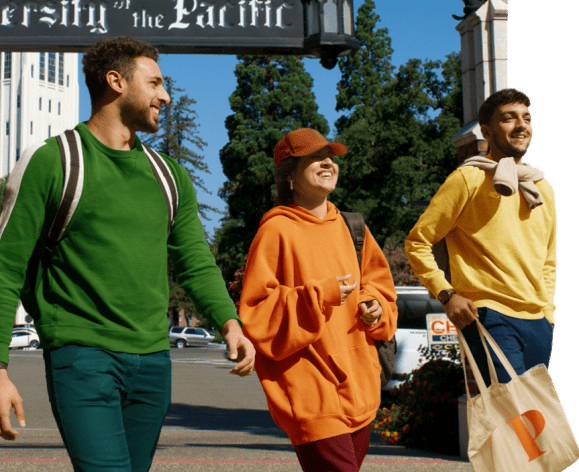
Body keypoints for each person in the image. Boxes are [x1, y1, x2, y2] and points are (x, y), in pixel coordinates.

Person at [0, 36, 255, 471]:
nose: (165, 95)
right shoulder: (52, 161)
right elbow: (5, 270)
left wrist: (229, 323)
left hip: (154, 362)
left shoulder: (169, 175)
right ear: (115, 81)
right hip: (82, 356)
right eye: (155, 82)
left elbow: (195, 260)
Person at [239, 128, 398, 471]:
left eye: (330, 157)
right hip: (309, 389)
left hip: (360, 384)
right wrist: (319, 295)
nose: (328, 162)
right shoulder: (275, 230)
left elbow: (381, 287)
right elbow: (256, 312)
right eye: (314, 157)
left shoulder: (353, 227)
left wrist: (375, 307)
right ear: (290, 176)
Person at [405, 87, 556, 386]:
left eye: (526, 118)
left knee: (534, 423)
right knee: (512, 413)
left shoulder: (541, 187)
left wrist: (547, 312)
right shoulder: (468, 179)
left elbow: (548, 258)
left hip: (538, 321)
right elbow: (418, 241)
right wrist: (447, 296)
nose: (521, 125)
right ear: (487, 131)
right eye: (509, 119)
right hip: (488, 314)